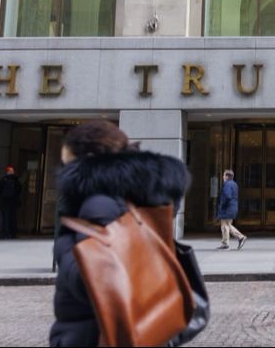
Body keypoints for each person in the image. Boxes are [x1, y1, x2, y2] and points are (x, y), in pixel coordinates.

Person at [50, 120, 190, 347]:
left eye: (68, 162)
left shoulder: (98, 204)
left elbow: (97, 282)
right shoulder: (136, 199)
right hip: (140, 329)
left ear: (85, 159)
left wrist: (66, 248)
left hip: (99, 336)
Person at [216, 169, 247, 251]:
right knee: (224, 225)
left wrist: (221, 204)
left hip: (227, 208)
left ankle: (240, 237)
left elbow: (227, 196)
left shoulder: (227, 184)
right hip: (232, 207)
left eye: (224, 175)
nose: (222, 177)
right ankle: (225, 243)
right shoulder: (234, 184)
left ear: (226, 176)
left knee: (226, 225)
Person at [0, 166, 22, 239]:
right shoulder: (16, 180)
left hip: (4, 202)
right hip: (13, 203)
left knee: (5, 218)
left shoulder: (3, 179)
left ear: (7, 172)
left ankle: (6, 233)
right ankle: (13, 233)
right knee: (13, 217)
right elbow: (19, 190)